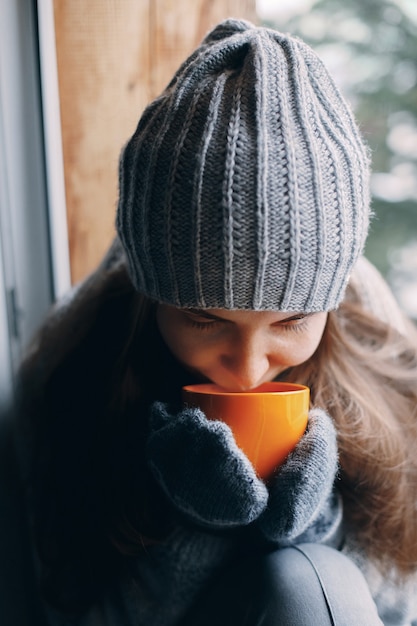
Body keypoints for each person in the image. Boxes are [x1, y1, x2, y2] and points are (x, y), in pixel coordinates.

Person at [8, 17, 417, 626]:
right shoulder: (77, 369)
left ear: (328, 306)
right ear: (153, 301)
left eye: (291, 322)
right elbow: (71, 609)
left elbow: (400, 606)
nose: (248, 368)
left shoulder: (377, 347)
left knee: (309, 582)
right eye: (204, 319)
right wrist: (194, 529)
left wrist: (314, 527)